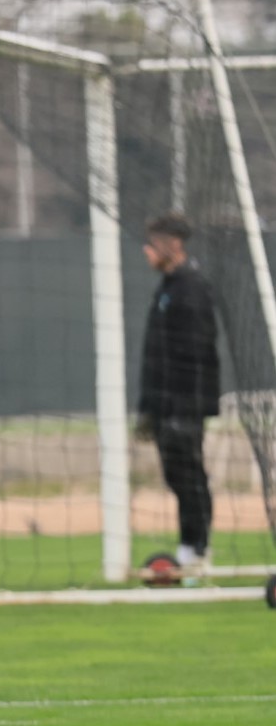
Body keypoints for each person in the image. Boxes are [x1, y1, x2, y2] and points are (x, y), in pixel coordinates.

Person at [137, 213, 219, 570]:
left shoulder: (192, 288)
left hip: (184, 406)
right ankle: (191, 544)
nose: (147, 250)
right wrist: (148, 408)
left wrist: (185, 407)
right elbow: (155, 354)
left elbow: (198, 352)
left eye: (152, 243)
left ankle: (197, 547)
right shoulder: (168, 287)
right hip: (165, 405)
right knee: (176, 475)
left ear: (173, 244)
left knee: (190, 474)